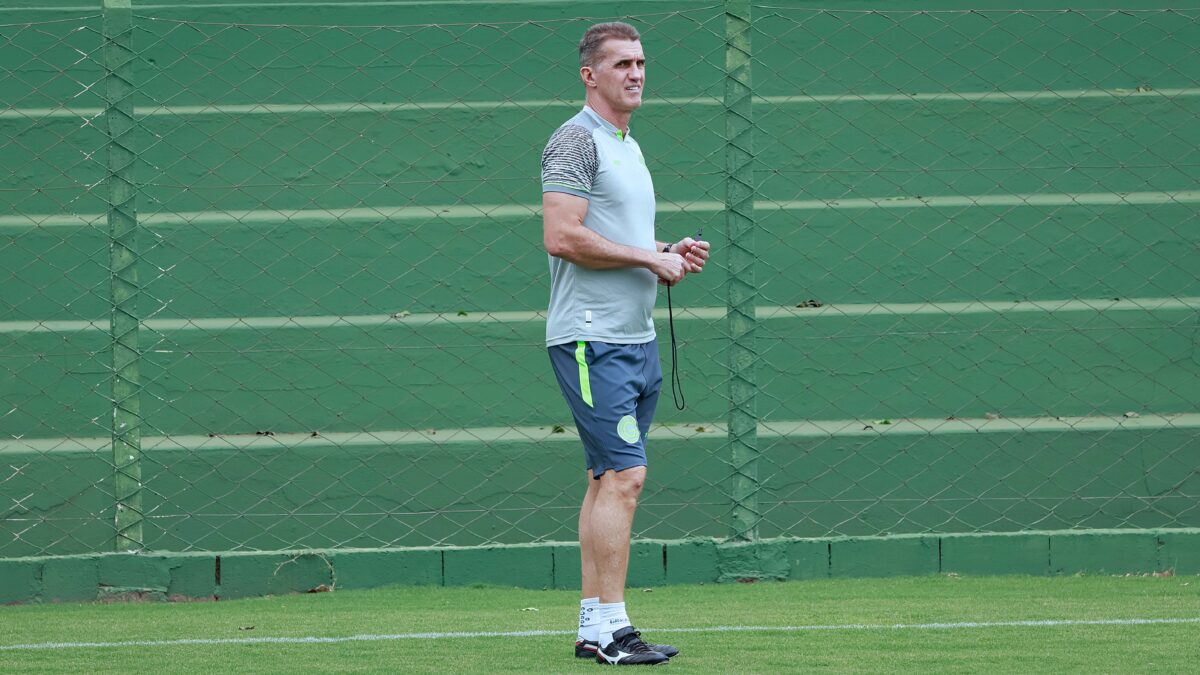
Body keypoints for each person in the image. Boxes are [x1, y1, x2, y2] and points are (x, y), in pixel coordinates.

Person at [540, 21, 710, 666]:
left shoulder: (626, 145)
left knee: (607, 479)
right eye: (621, 64)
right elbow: (562, 235)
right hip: (592, 340)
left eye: (641, 62)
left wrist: (665, 252)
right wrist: (647, 256)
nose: (636, 74)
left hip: (634, 339)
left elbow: (613, 234)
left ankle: (595, 628)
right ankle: (613, 629)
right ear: (590, 74)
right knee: (625, 477)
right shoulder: (574, 140)